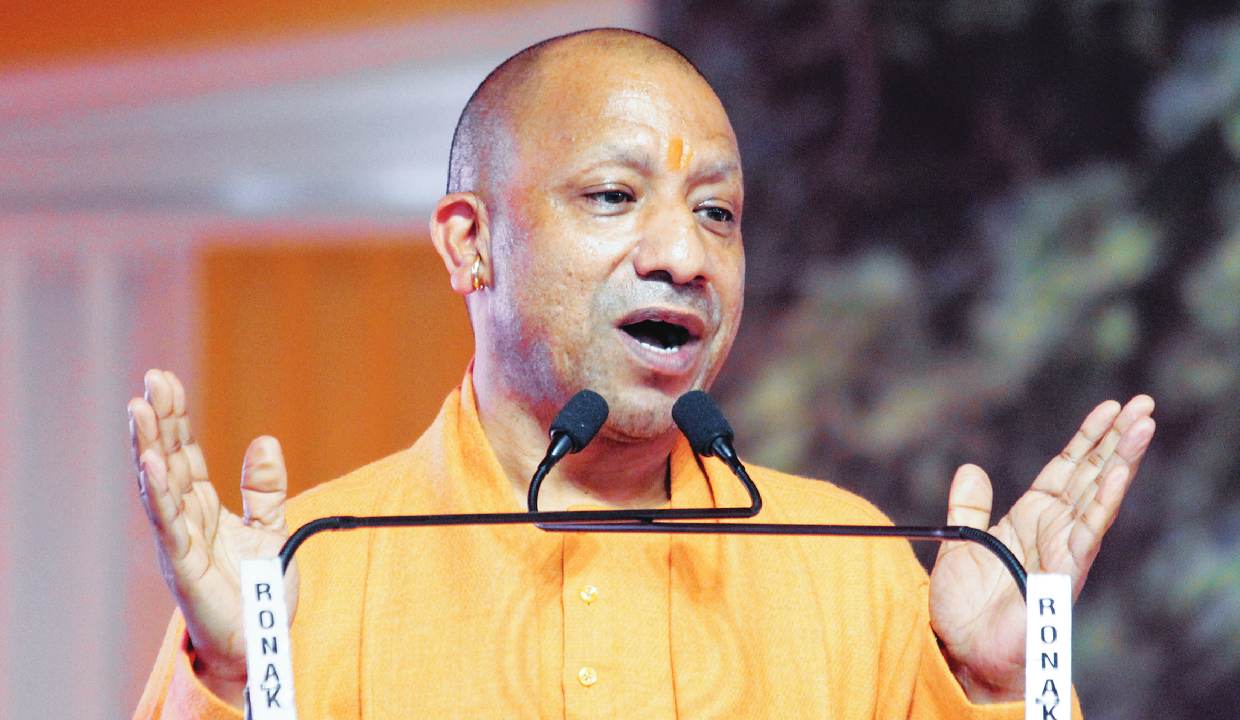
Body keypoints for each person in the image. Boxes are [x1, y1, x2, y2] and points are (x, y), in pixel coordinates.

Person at [129, 28, 1155, 718]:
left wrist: (1005, 686)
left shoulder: (850, 572)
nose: (684, 256)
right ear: (469, 244)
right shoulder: (307, 579)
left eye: (717, 213)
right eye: (614, 196)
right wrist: (240, 681)